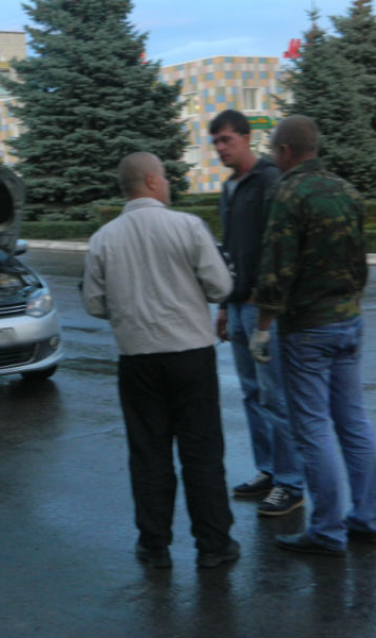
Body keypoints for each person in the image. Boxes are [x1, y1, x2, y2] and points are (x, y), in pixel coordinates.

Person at [81, 152, 239, 569]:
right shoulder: (187, 226)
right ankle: (214, 545)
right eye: (165, 177)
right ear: (151, 181)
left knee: (149, 454)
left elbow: (95, 305)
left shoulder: (103, 239)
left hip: (137, 360)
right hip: (190, 353)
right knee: (202, 452)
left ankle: (154, 545)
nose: (168, 183)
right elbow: (220, 286)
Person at [251, 115, 376, 556]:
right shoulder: (347, 191)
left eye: (273, 149)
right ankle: (366, 519)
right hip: (349, 322)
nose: (272, 156)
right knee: (354, 422)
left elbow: (276, 270)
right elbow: (361, 263)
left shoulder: (287, 192)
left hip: (307, 329)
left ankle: (326, 531)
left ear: (286, 152)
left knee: (312, 429)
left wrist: (263, 327)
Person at [209, 110, 305, 516]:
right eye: (215, 142)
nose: (220, 149)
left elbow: (278, 249)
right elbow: (228, 251)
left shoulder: (270, 181)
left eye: (226, 140)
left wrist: (265, 306)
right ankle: (267, 469)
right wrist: (223, 306)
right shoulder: (230, 189)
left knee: (275, 395)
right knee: (251, 394)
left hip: (263, 310)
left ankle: (291, 482)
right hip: (237, 305)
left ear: (247, 138)